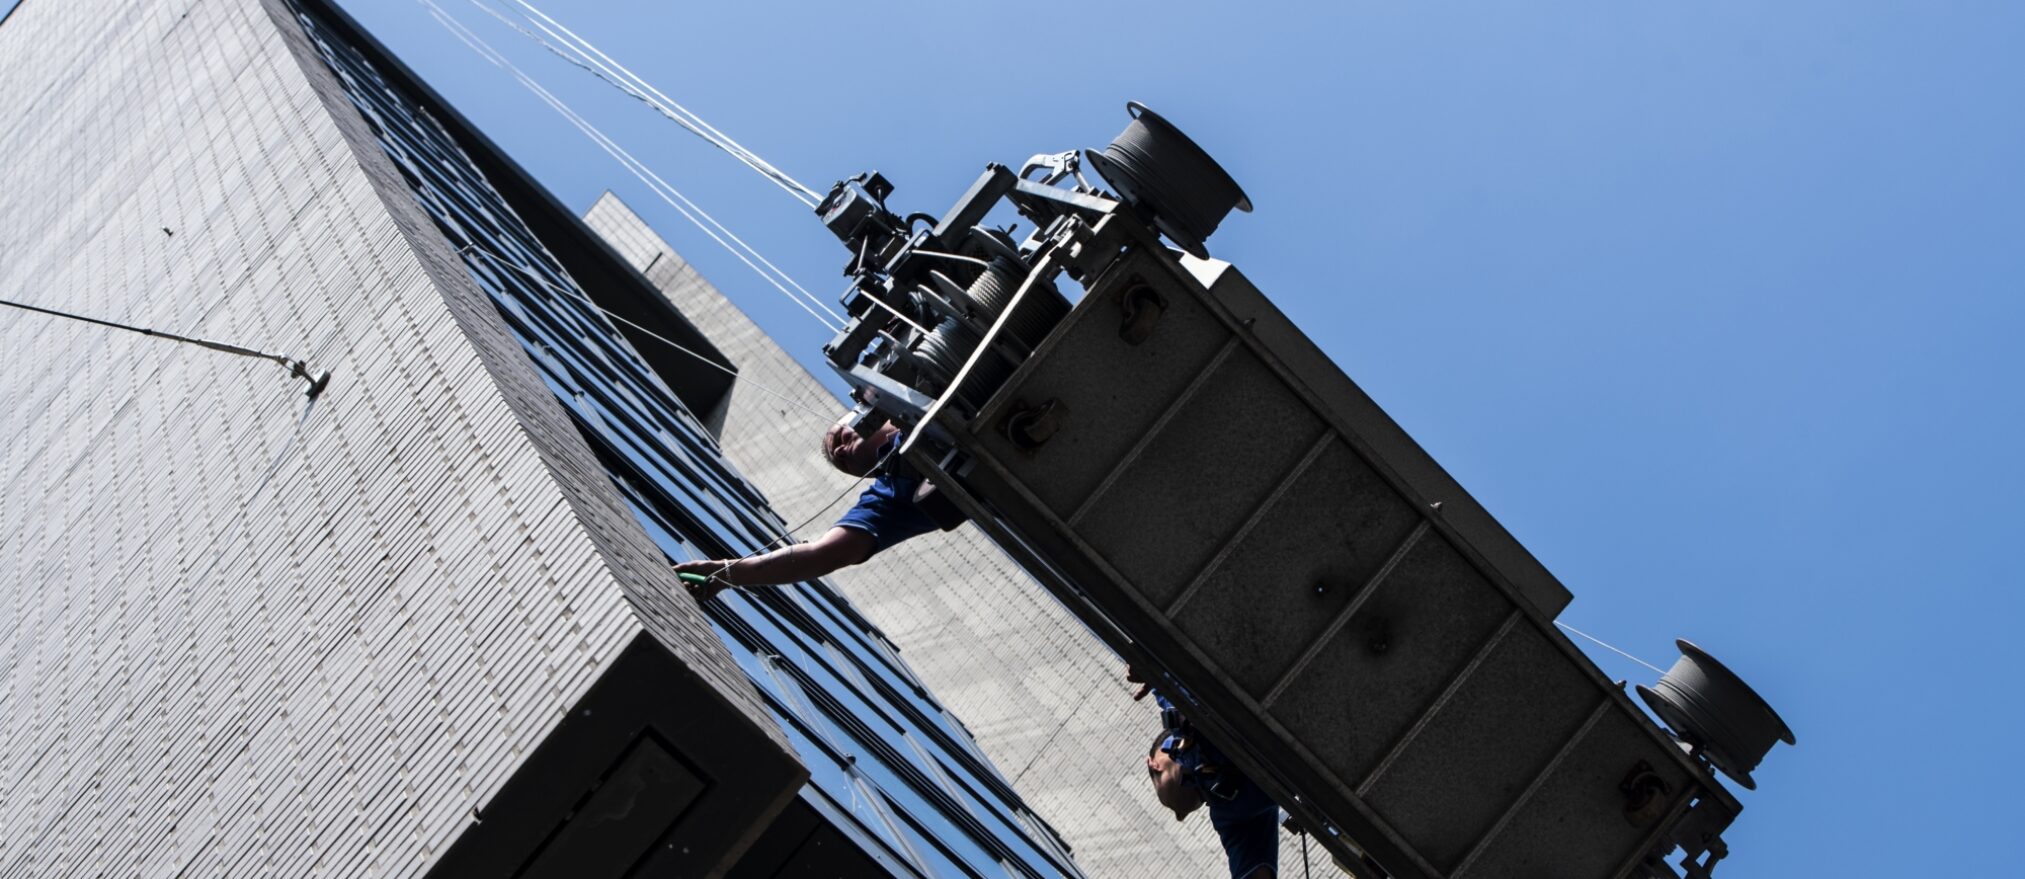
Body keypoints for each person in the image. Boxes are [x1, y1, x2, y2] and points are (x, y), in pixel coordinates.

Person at [672, 420, 946, 599]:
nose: (838, 452)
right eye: (843, 464)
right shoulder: (892, 493)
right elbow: (822, 555)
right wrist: (728, 572)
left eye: (839, 436)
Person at [1133, 668, 1281, 878]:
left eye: (1169, 807)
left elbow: (1156, 654)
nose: (1179, 817)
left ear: (1153, 764)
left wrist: (1144, 667)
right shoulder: (1228, 818)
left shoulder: (1176, 715)